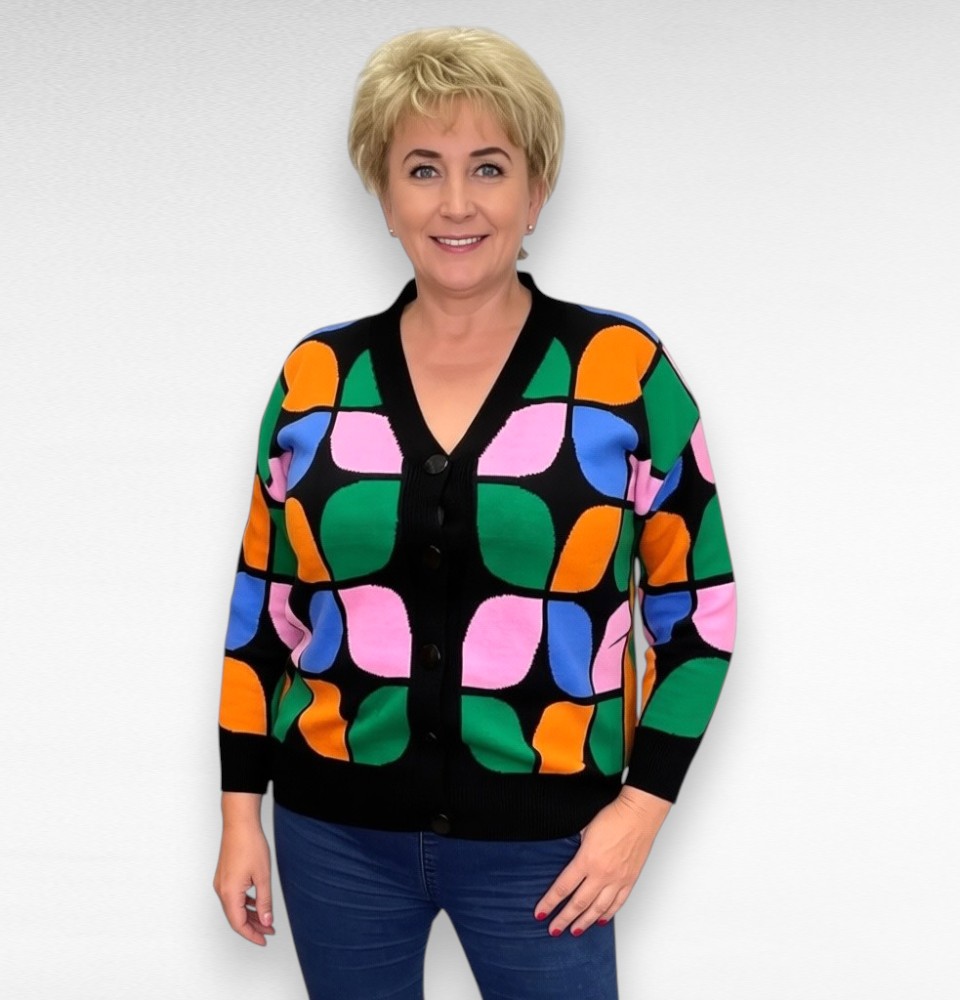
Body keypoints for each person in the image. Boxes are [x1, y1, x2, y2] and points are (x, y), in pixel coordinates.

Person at [213, 26, 736, 1000]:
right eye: (423, 169)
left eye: (488, 168)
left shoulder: (622, 374)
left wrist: (641, 810)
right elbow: (263, 614)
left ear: (536, 192)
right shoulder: (316, 378)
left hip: (548, 847)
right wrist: (241, 813)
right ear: (384, 195)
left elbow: (699, 616)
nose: (456, 202)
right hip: (333, 835)